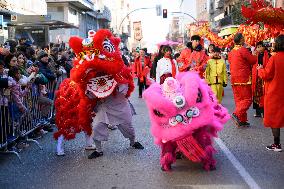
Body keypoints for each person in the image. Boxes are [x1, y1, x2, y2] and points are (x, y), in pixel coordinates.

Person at [88, 84, 144, 159]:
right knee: (96, 127)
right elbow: (91, 95)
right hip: (104, 107)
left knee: (128, 128)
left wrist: (112, 87)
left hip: (121, 107)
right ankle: (98, 150)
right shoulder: (96, 78)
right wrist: (91, 91)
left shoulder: (121, 78)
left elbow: (125, 90)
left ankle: (133, 142)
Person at [257, 34, 284, 152]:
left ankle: (277, 144)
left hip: (275, 93)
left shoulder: (275, 58)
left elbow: (266, 75)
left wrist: (260, 69)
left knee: (275, 119)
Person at [228, 33, 257, 127]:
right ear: (240, 40)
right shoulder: (243, 50)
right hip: (243, 79)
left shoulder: (231, 51)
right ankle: (236, 114)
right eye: (243, 38)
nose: (244, 39)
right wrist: (255, 54)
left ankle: (242, 120)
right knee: (247, 99)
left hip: (234, 79)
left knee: (239, 100)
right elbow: (252, 60)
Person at [252, 41, 270, 117]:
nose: (259, 48)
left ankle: (264, 111)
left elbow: (269, 66)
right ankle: (258, 111)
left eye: (260, 46)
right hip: (257, 77)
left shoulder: (268, 55)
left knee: (263, 93)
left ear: (264, 47)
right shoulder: (255, 55)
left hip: (264, 77)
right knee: (256, 94)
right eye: (258, 47)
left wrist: (263, 68)